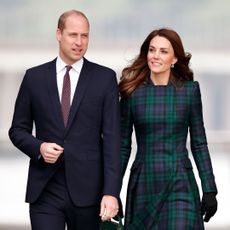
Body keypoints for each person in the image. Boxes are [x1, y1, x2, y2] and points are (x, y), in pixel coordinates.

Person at [9, 10, 121, 230]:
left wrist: (111, 192)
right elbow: (17, 130)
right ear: (59, 34)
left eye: (85, 36)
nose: (79, 42)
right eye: (73, 35)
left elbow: (112, 140)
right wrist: (39, 147)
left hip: (89, 194)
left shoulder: (105, 78)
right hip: (45, 190)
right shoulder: (34, 78)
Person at [119, 28, 218, 229]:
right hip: (145, 183)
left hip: (180, 181)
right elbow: (122, 146)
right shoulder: (132, 92)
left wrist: (210, 189)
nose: (156, 56)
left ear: (174, 59)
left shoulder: (189, 91)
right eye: (152, 50)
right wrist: (111, 191)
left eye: (163, 51)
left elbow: (199, 144)